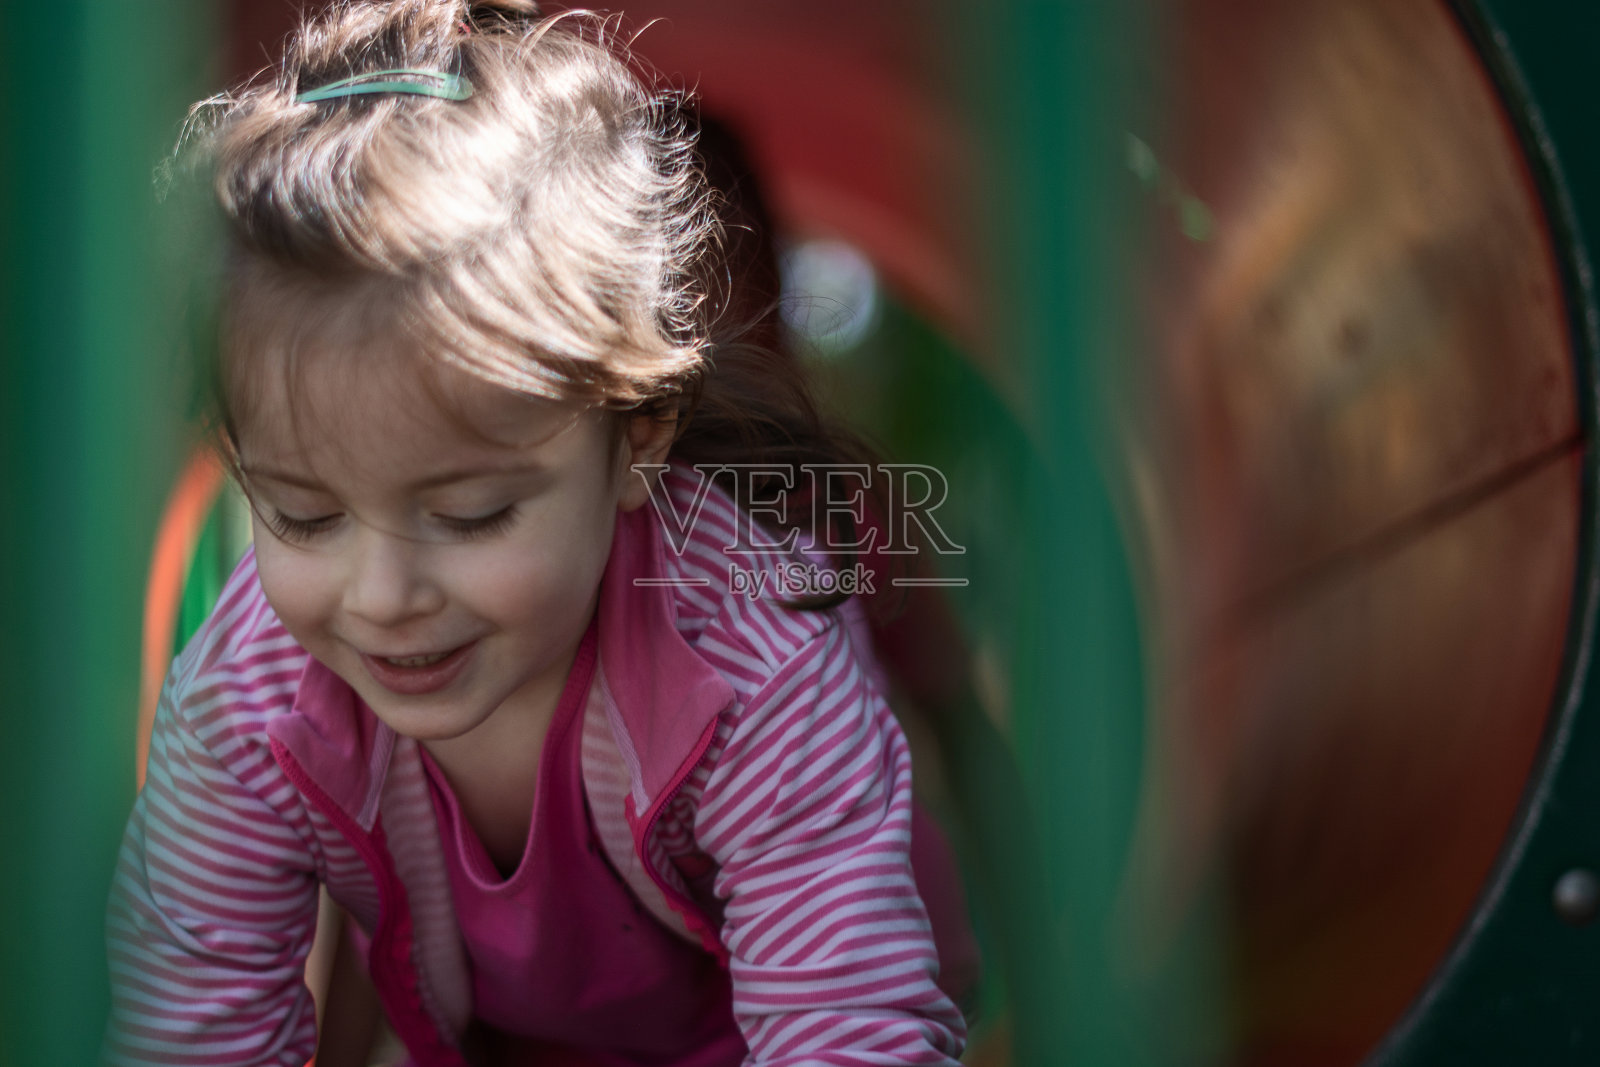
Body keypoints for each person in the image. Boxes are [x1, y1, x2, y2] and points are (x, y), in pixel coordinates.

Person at [103, 2, 972, 1065]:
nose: (382, 593)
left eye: (473, 513)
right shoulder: (251, 693)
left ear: (639, 435)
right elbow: (195, 1022)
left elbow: (846, 1027)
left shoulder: (750, 657)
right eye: (303, 514)